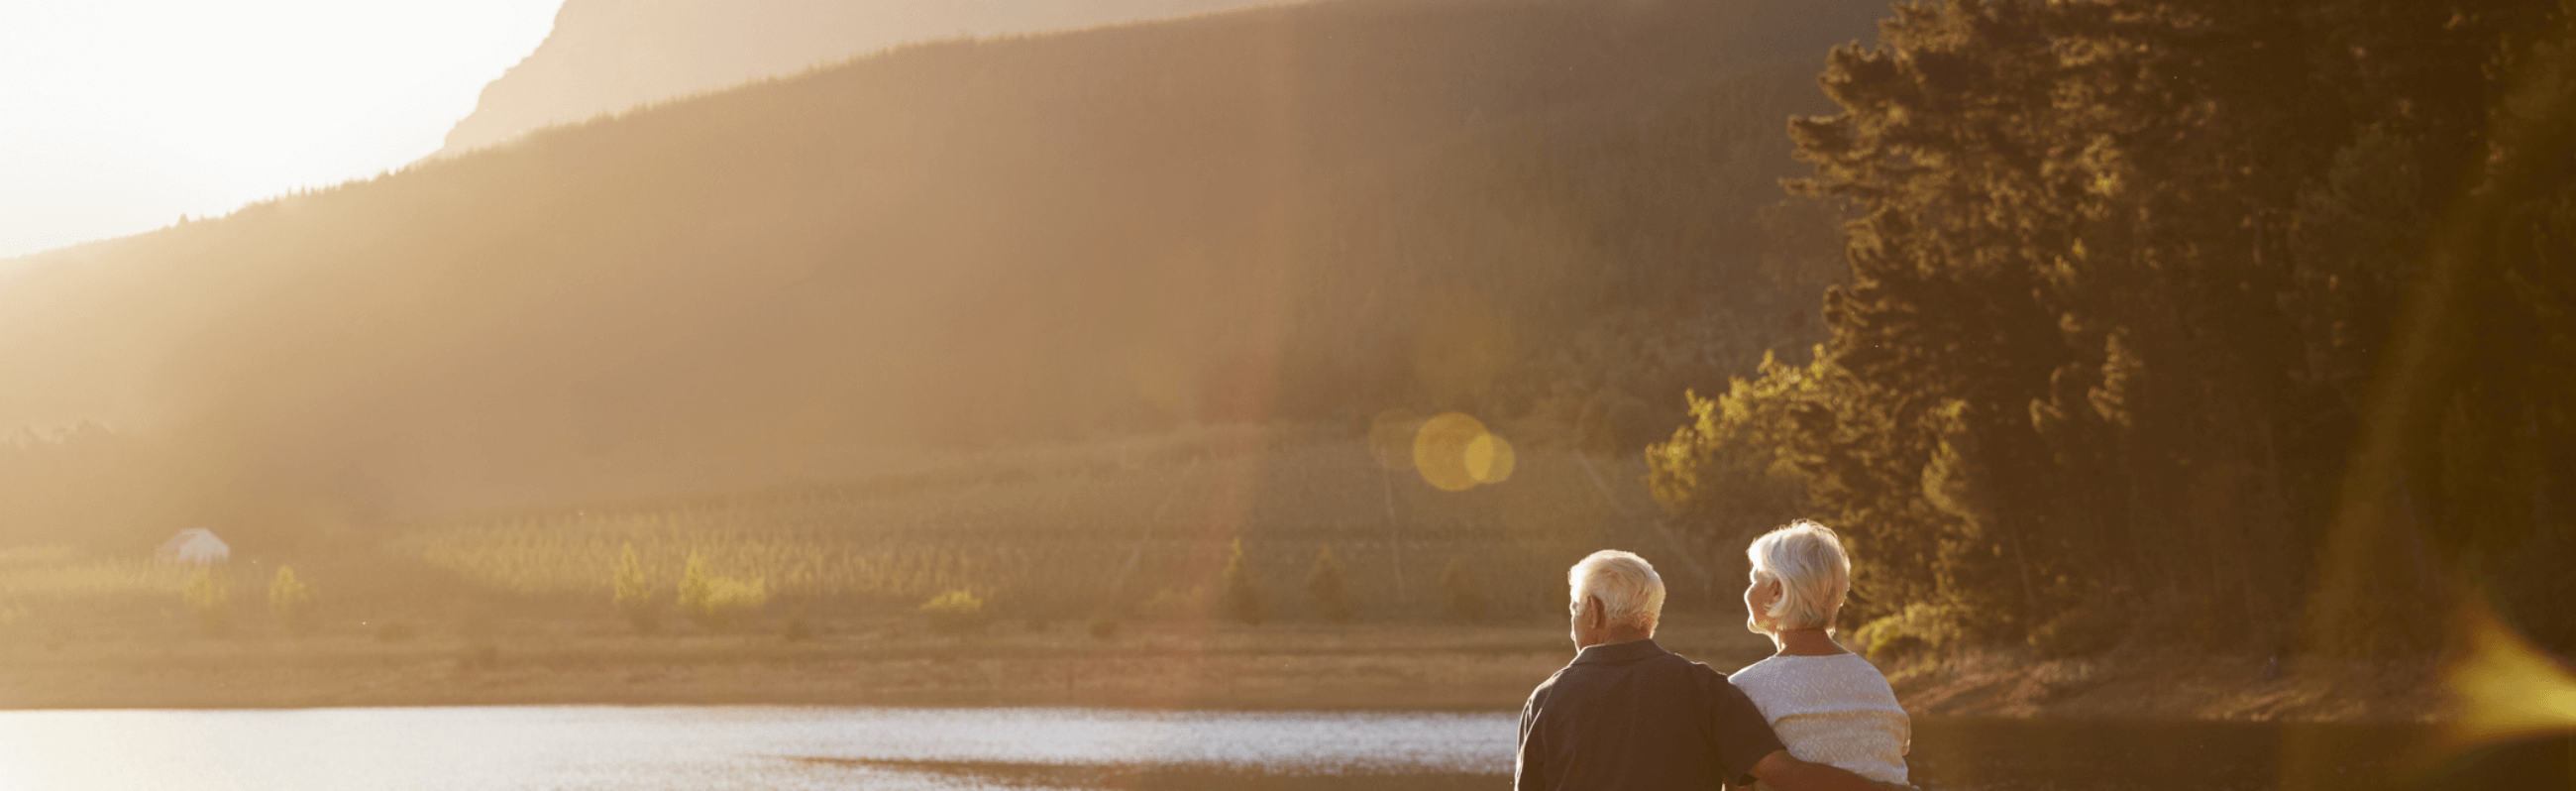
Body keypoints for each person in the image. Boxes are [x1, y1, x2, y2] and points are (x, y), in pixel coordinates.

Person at [1515, 549, 1909, 791]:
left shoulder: (1544, 702)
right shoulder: (1703, 688)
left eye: (1574, 609)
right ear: (1650, 617)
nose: (1572, 623)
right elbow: (1782, 772)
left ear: (1595, 612)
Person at [1730, 521, 1910, 790]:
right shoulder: (1874, 679)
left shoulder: (1745, 688)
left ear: (1776, 590)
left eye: (1754, 579)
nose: (1748, 591)